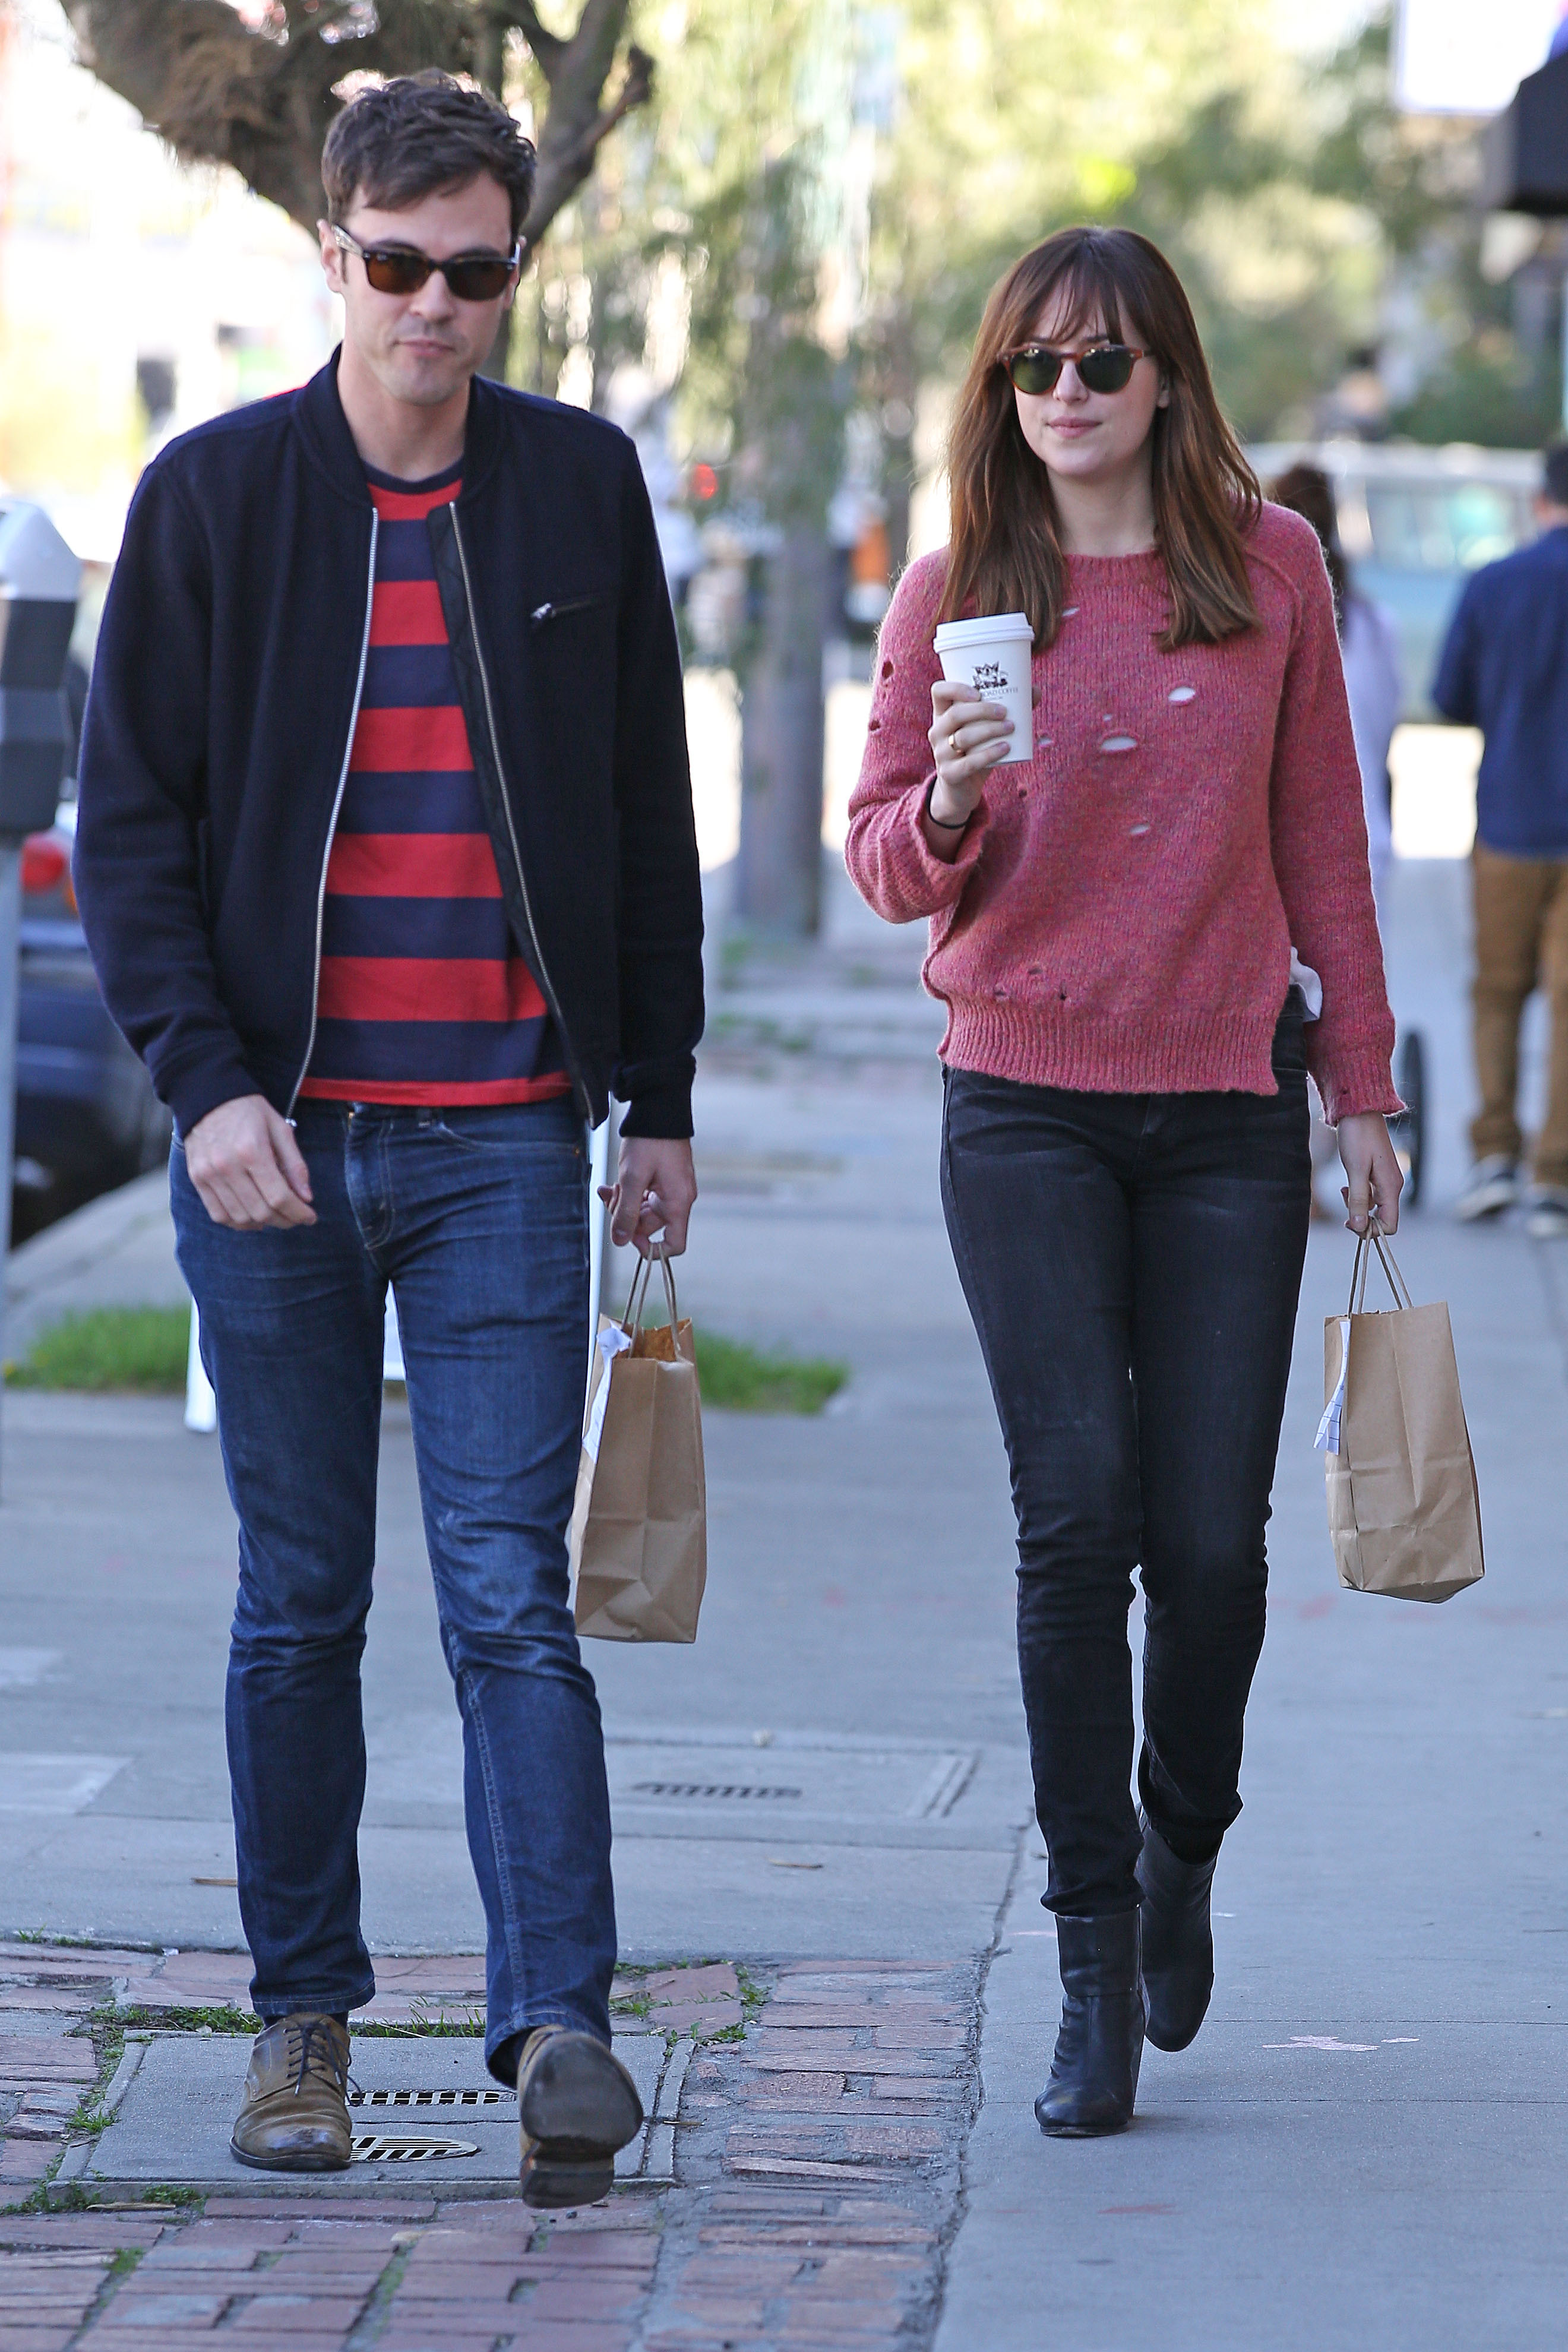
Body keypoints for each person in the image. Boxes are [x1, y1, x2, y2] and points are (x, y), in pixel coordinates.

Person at [73, 72, 703, 2205]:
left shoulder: (578, 487)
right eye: (401, 265)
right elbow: (131, 830)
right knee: (300, 1601)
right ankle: (303, 2031)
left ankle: (560, 2031)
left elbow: (643, 808)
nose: (438, 306)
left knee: (513, 1598)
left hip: (508, 1138)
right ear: (332, 257)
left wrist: (661, 1094)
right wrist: (205, 1084)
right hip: (275, 1148)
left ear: (515, 270)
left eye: (476, 271)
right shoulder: (216, 499)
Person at [845, 226, 1401, 2138]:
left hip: (1226, 1104)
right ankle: (1089, 1955)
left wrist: (1362, 1090)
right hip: (1020, 1102)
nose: (1066, 396)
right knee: (1075, 1521)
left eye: (1102, 363)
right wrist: (945, 803)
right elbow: (880, 863)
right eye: (1035, 367)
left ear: (1167, 379)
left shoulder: (1267, 570)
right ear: (1000, 390)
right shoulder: (955, 590)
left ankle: (1181, 1844)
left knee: (1215, 1548)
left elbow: (1324, 841)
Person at [1433, 442, 1568, 1238]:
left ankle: (1494, 1156)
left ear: (1540, 500)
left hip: (1510, 819)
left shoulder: (1494, 583)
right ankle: (1557, 1174)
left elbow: (1450, 696)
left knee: (1498, 991)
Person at [1269, 463, 1401, 915]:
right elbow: (1385, 729)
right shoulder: (1375, 626)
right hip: (1365, 834)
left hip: (1287, 851)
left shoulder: (1262, 627)